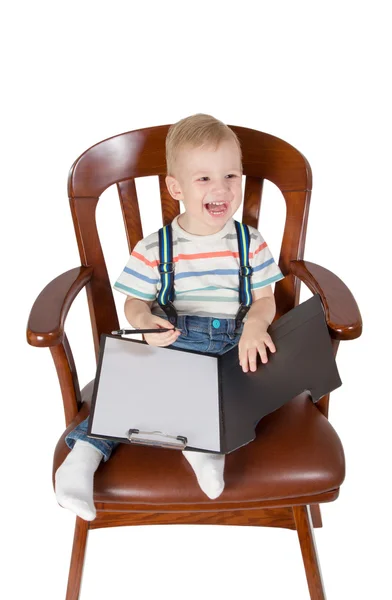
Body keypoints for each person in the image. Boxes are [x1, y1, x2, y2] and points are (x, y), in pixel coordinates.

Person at [55, 113, 285, 521]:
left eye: (231, 175)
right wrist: (144, 322)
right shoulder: (156, 247)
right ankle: (83, 459)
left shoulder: (250, 242)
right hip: (176, 341)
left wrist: (255, 324)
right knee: (128, 395)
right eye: (204, 179)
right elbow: (134, 304)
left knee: (244, 387)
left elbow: (264, 299)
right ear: (176, 188)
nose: (222, 188)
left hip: (237, 344)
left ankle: (203, 448)